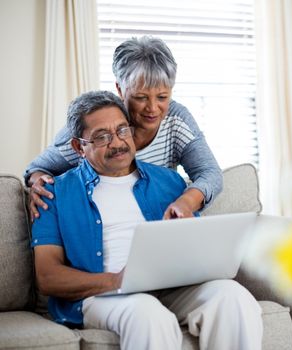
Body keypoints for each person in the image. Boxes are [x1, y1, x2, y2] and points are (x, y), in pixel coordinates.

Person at [32, 90, 263, 350]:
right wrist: (115, 280)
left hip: (173, 286)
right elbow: (47, 276)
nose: (117, 142)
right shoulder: (53, 193)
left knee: (234, 297)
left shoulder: (169, 182)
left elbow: (195, 244)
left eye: (122, 130)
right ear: (78, 147)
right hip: (104, 295)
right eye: (102, 137)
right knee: (149, 315)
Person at [25, 36, 222, 220]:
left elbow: (210, 172)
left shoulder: (177, 120)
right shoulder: (94, 125)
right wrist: (39, 183)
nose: (153, 108)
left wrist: (187, 201)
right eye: (140, 97)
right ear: (120, 89)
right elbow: (37, 169)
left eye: (162, 97)